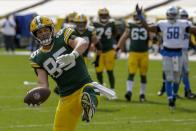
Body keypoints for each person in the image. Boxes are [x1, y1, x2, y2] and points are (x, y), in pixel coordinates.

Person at [29, 16, 99, 131]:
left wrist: (73, 55)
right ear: (35, 35)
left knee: (89, 90)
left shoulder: (63, 35)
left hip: (84, 85)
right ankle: (88, 102)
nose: (43, 34)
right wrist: (37, 95)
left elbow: (83, 42)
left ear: (52, 29)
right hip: (66, 97)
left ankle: (89, 103)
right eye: (40, 32)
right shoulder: (36, 57)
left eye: (46, 30)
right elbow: (43, 84)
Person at [136, 5, 196, 108]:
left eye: (173, 14)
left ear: (177, 15)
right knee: (169, 78)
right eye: (170, 14)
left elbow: (194, 30)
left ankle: (174, 96)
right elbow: (149, 28)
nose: (171, 16)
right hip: (167, 53)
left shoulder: (183, 24)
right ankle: (170, 99)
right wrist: (141, 17)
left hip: (179, 53)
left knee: (177, 79)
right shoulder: (163, 23)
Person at [157, 9, 196, 99]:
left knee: (182, 72)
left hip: (183, 50)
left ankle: (184, 91)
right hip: (174, 50)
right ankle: (166, 88)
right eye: (182, 16)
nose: (184, 18)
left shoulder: (185, 24)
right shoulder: (177, 23)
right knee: (168, 71)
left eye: (185, 16)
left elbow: (190, 36)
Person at [116, 13, 150, 102]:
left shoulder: (148, 26)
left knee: (143, 74)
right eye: (136, 17)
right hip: (133, 53)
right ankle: (129, 92)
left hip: (144, 53)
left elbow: (153, 37)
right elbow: (124, 37)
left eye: (139, 17)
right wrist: (118, 47)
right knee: (131, 73)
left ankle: (142, 94)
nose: (137, 18)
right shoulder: (131, 26)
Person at [92, 8, 117, 99]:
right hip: (98, 51)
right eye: (102, 15)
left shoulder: (111, 23)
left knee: (110, 71)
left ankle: (112, 90)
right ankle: (102, 88)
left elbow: (115, 33)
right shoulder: (94, 23)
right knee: (98, 71)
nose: (104, 16)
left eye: (105, 14)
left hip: (109, 50)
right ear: (99, 15)